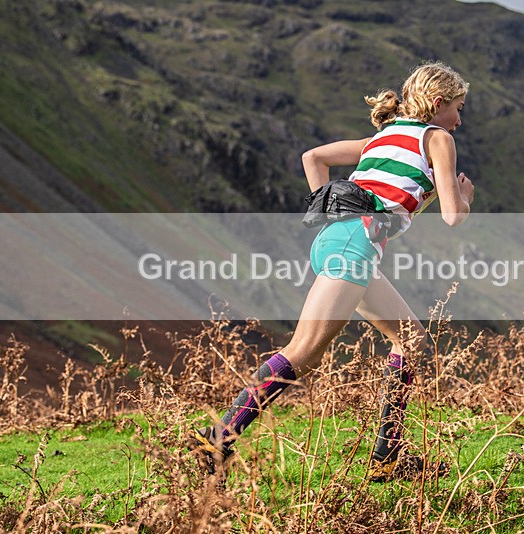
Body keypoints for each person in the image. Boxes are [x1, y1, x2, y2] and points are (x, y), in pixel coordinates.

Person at [190, 61, 474, 482]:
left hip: (338, 241)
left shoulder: (385, 136)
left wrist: (333, 211)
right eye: (458, 107)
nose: (459, 118)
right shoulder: (438, 138)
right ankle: (217, 441)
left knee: (411, 341)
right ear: (437, 103)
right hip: (353, 247)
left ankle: (388, 459)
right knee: (303, 351)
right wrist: (465, 196)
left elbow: (314, 158)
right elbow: (453, 217)